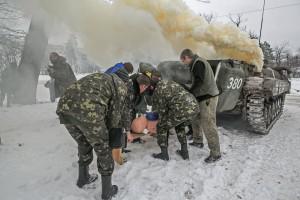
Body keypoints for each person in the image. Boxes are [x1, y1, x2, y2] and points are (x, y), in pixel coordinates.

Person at [56, 72, 127, 200]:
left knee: (83, 142)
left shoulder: (100, 77)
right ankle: (107, 191)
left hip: (64, 107)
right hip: (88, 111)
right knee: (103, 148)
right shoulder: (121, 85)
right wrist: (109, 134)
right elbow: (115, 117)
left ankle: (83, 178)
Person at [136, 74, 199, 161]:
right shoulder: (166, 82)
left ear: (149, 86)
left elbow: (162, 114)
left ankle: (164, 154)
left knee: (161, 126)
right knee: (179, 125)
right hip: (194, 108)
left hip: (181, 110)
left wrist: (155, 122)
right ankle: (184, 152)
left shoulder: (158, 91)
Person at [180, 48, 221, 163]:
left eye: (183, 61)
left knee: (208, 123)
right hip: (201, 97)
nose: (184, 64)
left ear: (186, 57)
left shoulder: (198, 63)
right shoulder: (196, 63)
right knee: (195, 118)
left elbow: (199, 82)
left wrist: (189, 93)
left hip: (208, 97)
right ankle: (198, 141)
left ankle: (215, 153)